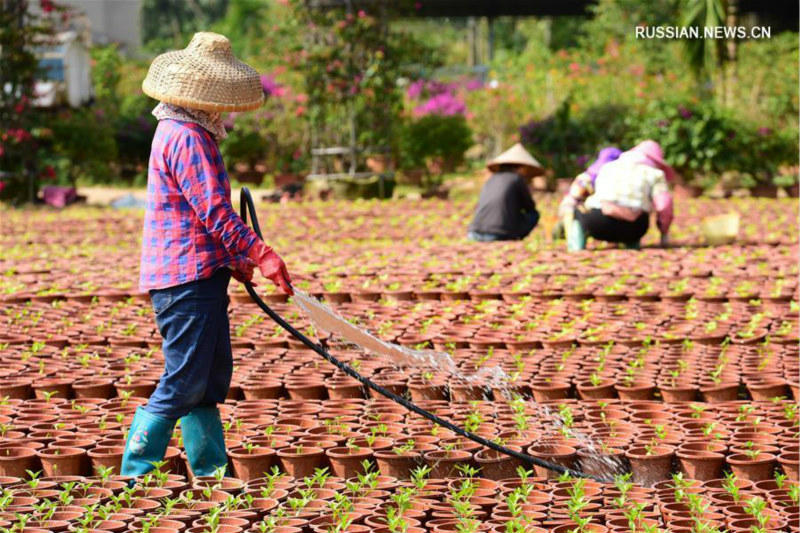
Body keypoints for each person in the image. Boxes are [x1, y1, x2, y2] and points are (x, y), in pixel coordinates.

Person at [121, 32, 293, 480]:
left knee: (208, 380)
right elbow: (215, 210)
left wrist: (234, 259)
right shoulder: (188, 138)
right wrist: (261, 253)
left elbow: (201, 213)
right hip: (186, 279)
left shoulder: (180, 131)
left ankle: (211, 473)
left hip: (199, 272)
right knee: (183, 381)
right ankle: (134, 475)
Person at [567, 140, 675, 251]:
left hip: (598, 223)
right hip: (634, 227)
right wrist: (664, 232)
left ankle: (576, 247)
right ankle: (632, 244)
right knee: (639, 211)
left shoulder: (608, 167)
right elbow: (663, 206)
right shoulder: (655, 174)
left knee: (578, 213)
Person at [467, 143, 543, 242]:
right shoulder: (516, 179)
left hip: (474, 233)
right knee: (534, 214)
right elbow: (529, 206)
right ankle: (515, 238)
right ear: (520, 167)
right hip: (498, 234)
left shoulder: (491, 179)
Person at [553, 147, 622, 240]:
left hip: (589, 206)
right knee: (573, 222)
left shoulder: (606, 173)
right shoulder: (589, 176)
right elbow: (574, 198)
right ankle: (568, 235)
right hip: (572, 207)